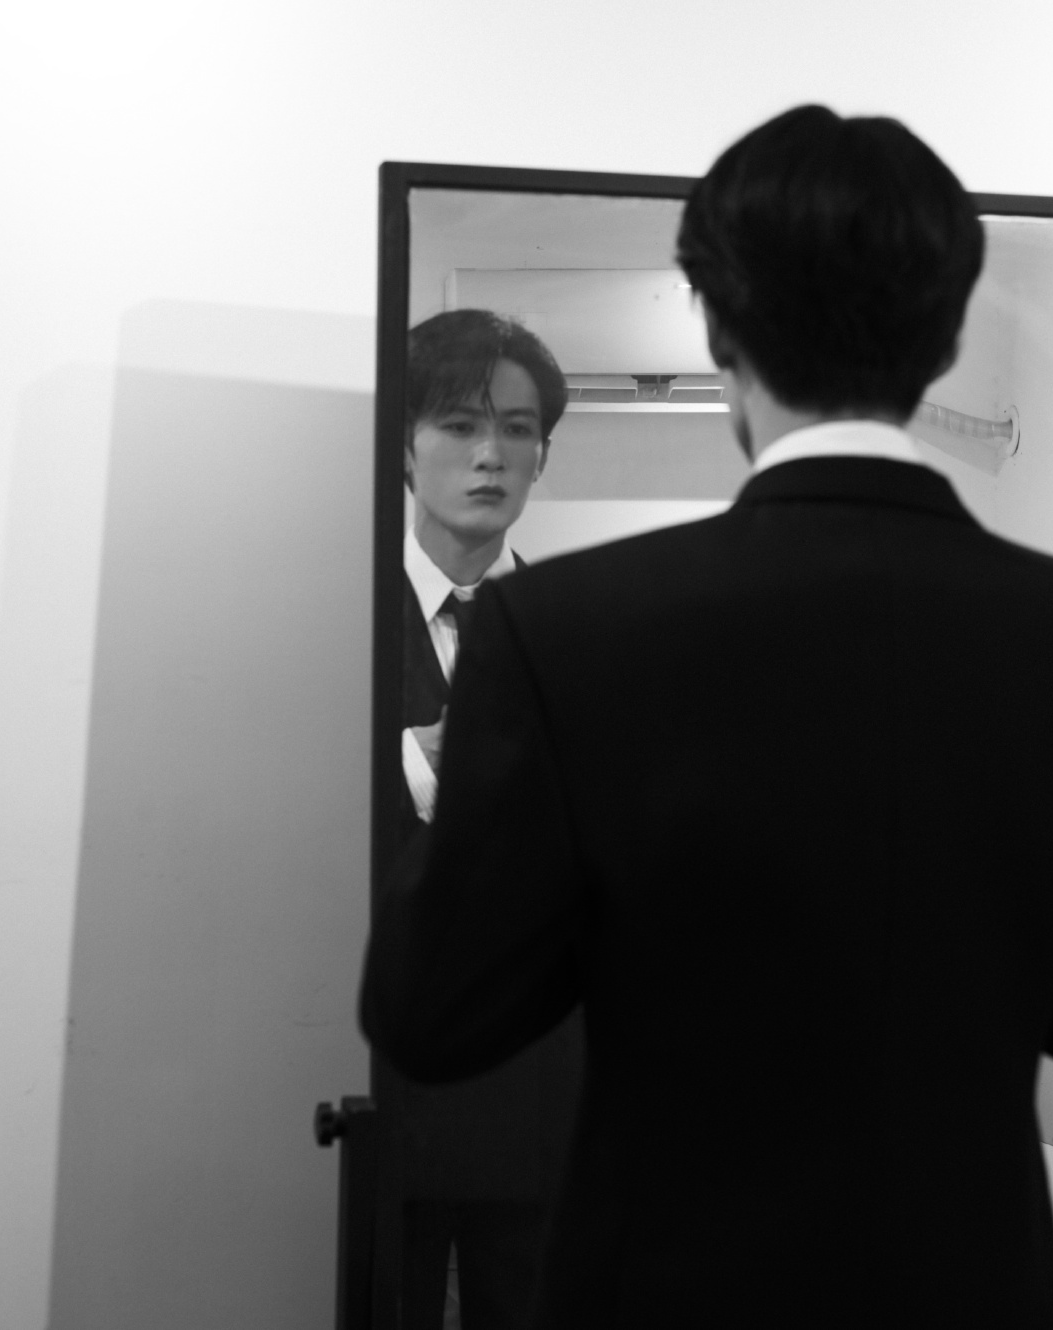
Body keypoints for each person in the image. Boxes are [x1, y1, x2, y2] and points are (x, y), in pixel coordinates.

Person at [362, 106, 1053, 1329]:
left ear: (719, 330)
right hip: (967, 1289)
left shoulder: (562, 636)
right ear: (945, 335)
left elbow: (430, 1013)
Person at [387, 308, 584, 1330]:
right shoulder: (328, 620)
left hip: (538, 1086)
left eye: (516, 428)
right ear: (403, 446)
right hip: (374, 1073)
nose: (491, 454)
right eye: (460, 425)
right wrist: (413, 765)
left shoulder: (585, 637)